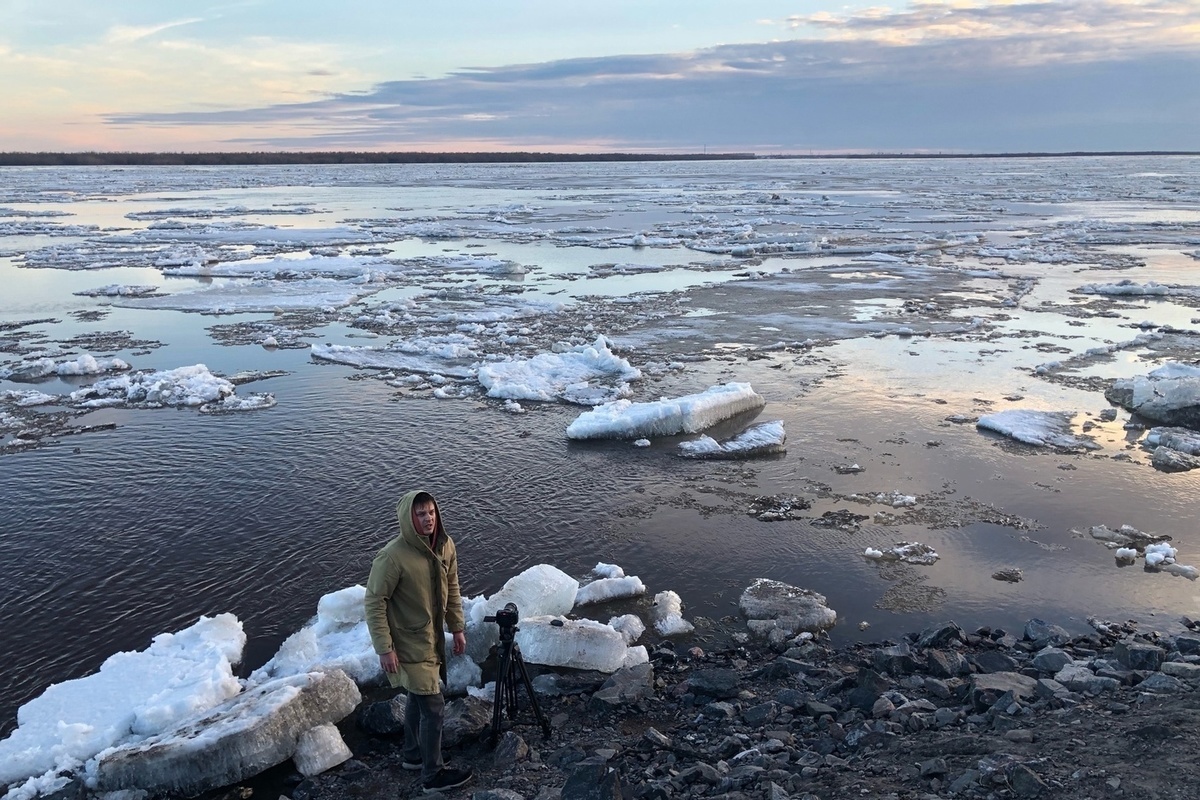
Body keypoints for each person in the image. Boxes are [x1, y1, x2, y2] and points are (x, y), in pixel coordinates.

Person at [365, 490, 474, 792]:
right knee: (434, 705)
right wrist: (384, 647)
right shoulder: (393, 556)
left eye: (431, 512)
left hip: (432, 639)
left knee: (416, 696)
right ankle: (432, 775)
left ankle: (413, 755)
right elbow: (374, 601)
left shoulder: (445, 546)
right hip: (407, 642)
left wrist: (458, 628)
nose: (428, 519)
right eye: (420, 514)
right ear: (408, 519)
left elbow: (452, 588)